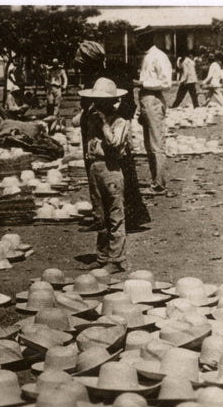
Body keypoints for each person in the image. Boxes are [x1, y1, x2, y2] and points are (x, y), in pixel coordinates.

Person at [74, 40, 150, 232]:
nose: (81, 69)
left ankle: (127, 216)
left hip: (110, 130)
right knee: (94, 171)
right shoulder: (94, 75)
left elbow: (127, 105)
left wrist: (111, 121)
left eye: (83, 64)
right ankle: (101, 216)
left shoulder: (111, 74)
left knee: (119, 171)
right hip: (93, 130)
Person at [80, 78, 130, 273]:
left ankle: (117, 259)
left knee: (115, 215)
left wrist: (103, 124)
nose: (98, 105)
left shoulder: (119, 121)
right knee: (99, 215)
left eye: (102, 101)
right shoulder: (91, 117)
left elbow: (114, 143)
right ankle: (102, 256)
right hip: (95, 167)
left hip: (111, 169)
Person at [136, 33, 172, 195]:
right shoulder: (148, 56)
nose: (136, 43)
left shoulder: (159, 56)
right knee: (149, 144)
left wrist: (142, 83)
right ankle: (155, 179)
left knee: (157, 143)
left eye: (139, 40)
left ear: (147, 40)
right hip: (145, 99)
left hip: (153, 99)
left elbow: (166, 83)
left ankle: (159, 184)